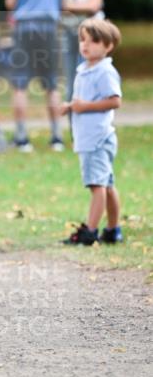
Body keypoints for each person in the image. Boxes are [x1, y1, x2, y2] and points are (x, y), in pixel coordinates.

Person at [60, 18, 123, 245]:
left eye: (94, 41)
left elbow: (115, 101)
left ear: (108, 46)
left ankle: (90, 232)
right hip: (91, 137)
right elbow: (86, 100)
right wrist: (71, 107)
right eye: (83, 40)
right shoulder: (86, 69)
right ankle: (113, 230)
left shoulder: (104, 72)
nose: (86, 45)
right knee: (106, 184)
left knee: (97, 186)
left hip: (97, 138)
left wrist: (83, 107)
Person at [5, 0, 66, 152]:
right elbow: (64, 3)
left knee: (20, 83)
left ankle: (22, 138)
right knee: (51, 83)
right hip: (49, 28)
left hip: (24, 27)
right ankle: (57, 136)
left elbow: (11, 2)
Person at [61, 0, 106, 101]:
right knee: (70, 77)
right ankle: (73, 120)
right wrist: (80, 5)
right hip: (68, 31)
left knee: (87, 74)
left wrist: (69, 5)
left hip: (90, 34)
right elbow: (59, 4)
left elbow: (93, 6)